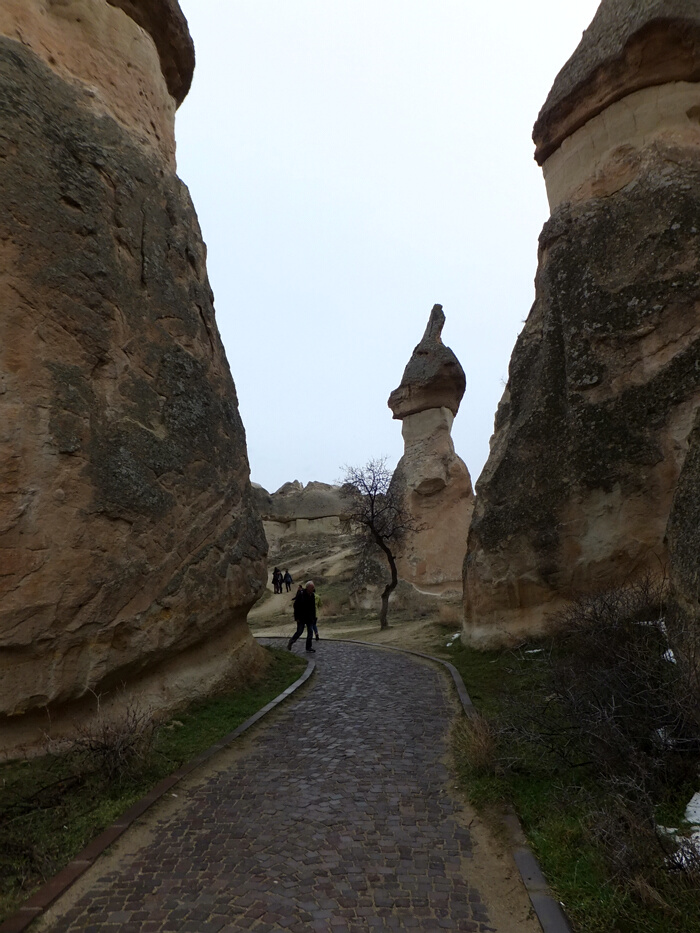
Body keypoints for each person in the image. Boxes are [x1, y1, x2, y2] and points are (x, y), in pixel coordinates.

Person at [288, 581, 317, 653]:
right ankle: (291, 641)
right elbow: (296, 606)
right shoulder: (301, 594)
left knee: (310, 632)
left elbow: (313, 608)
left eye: (313, 587)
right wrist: (296, 617)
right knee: (299, 631)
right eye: (312, 587)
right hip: (301, 617)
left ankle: (308, 647)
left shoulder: (312, 595)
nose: (313, 588)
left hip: (309, 618)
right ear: (307, 587)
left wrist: (314, 617)